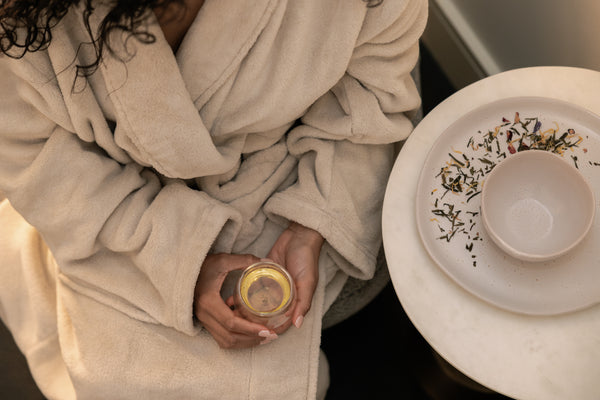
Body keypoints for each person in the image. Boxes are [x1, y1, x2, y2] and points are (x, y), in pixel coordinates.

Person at [0, 0, 427, 398]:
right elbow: (40, 161)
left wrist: (314, 220)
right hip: (120, 207)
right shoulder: (21, 21)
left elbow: (371, 92)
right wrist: (181, 262)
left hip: (292, 170)